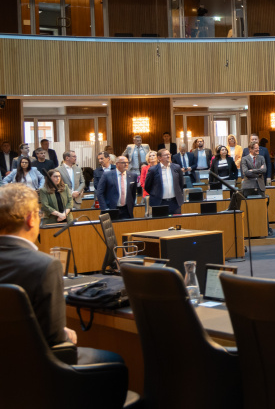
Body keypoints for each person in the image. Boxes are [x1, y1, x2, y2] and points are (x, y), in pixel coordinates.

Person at [0, 183, 125, 365]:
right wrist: (65, 333)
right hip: (37, 370)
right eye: (39, 214)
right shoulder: (44, 266)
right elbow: (55, 339)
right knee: (114, 361)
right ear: (30, 219)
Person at [96, 155, 138, 220]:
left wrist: (131, 205)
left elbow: (133, 193)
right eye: (123, 163)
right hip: (111, 209)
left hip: (126, 210)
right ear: (117, 164)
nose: (126, 164)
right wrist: (105, 208)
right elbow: (99, 192)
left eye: (127, 162)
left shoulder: (133, 176)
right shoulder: (107, 175)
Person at [145, 149, 185, 215]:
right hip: (159, 202)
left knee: (176, 223)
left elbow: (180, 183)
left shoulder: (177, 167)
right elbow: (147, 186)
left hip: (175, 202)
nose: (168, 156)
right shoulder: (153, 170)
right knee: (161, 224)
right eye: (165, 155)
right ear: (159, 158)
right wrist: (156, 194)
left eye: (169, 154)